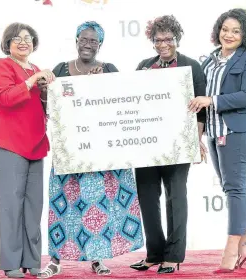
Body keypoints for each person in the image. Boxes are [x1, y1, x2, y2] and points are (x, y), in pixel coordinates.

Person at [38, 21, 144, 278]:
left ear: (100, 45)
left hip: (102, 152)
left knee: (100, 205)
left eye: (93, 41)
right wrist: (43, 93)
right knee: (64, 203)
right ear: (76, 41)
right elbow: (48, 110)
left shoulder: (109, 69)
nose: (87, 44)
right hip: (70, 150)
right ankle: (55, 260)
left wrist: (100, 84)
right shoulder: (60, 70)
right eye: (83, 39)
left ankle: (97, 258)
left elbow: (121, 106)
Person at [130, 15, 207, 274]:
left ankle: (173, 256)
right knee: (148, 198)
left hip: (178, 146)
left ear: (177, 39)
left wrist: (196, 141)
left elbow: (200, 110)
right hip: (147, 146)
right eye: (158, 40)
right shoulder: (143, 66)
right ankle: (153, 254)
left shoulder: (191, 66)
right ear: (152, 42)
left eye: (168, 39)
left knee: (177, 198)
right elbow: (133, 104)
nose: (163, 44)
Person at [189, 8, 246, 273]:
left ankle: (232, 249)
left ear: (245, 34)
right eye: (225, 29)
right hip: (214, 130)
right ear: (218, 30)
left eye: (236, 31)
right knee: (231, 188)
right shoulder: (209, 60)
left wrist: (212, 100)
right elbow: (197, 92)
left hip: (239, 130)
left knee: (235, 189)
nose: (229, 35)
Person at [0, 22, 55, 278]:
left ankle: (32, 260)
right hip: (7, 143)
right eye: (16, 38)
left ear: (34, 43)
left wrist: (47, 90)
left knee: (34, 205)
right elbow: (5, 98)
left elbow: (43, 106)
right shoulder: (2, 66)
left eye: (27, 38)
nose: (23, 42)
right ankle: (11, 263)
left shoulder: (36, 69)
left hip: (35, 143)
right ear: (8, 44)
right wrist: (33, 80)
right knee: (10, 205)